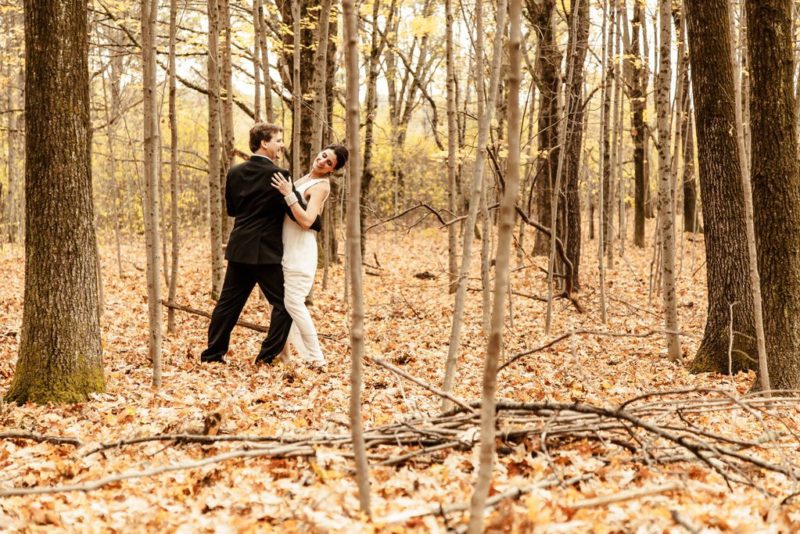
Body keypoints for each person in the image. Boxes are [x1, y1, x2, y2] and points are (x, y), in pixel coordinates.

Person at [200, 123, 294, 365]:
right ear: (264, 143)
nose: (281, 144)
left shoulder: (234, 172)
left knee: (228, 304)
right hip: (266, 251)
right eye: (278, 140)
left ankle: (212, 355)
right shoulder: (280, 175)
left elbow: (232, 210)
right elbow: (290, 212)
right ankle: (265, 357)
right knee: (286, 304)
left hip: (240, 246)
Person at [271, 145, 349, 367]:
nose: (322, 161)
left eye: (329, 163)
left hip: (301, 251)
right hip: (285, 247)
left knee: (294, 303)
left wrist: (288, 194)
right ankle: (284, 354)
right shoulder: (304, 178)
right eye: (324, 155)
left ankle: (316, 357)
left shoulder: (321, 187)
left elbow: (306, 221)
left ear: (331, 170)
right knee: (283, 305)